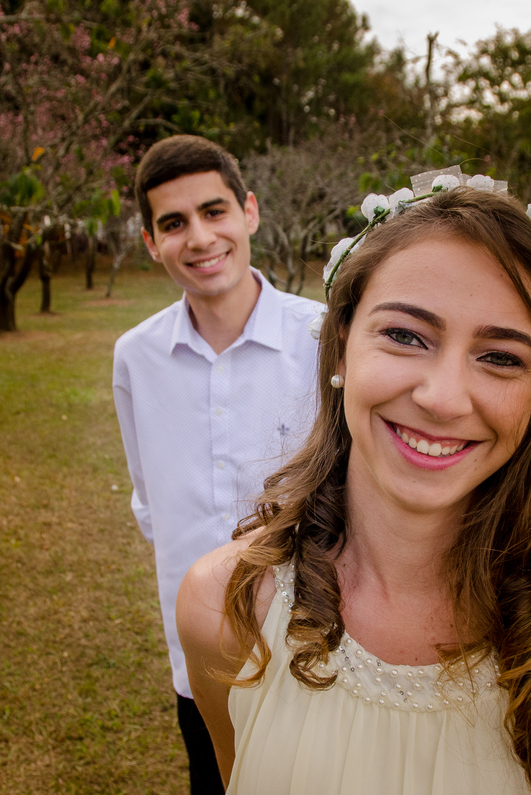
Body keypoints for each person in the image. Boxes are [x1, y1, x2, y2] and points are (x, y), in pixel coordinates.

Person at [177, 170, 531, 794]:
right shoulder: (224, 604)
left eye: (501, 357)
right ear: (341, 348)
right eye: (405, 336)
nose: (444, 398)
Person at [112, 135, 323, 795]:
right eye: (173, 223)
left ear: (249, 211)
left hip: (314, 639)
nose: (200, 238)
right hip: (199, 652)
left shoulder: (323, 337)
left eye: (214, 211)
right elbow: (150, 501)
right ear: (151, 242)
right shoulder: (135, 356)